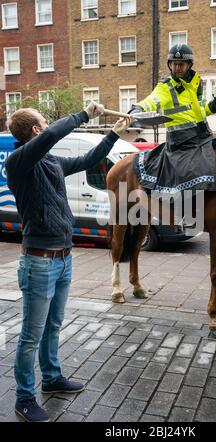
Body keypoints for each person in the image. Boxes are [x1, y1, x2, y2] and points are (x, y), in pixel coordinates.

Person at [5, 102, 132, 422]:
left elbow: (87, 159)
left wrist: (112, 136)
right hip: (38, 263)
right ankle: (23, 397)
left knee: (54, 326)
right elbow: (51, 135)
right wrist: (85, 115)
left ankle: (51, 377)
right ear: (35, 131)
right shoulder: (19, 162)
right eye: (43, 123)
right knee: (30, 335)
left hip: (63, 259)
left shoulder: (50, 161)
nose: (46, 126)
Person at [130, 44, 216, 204]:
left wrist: (213, 106)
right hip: (180, 143)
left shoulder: (195, 82)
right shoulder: (165, 86)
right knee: (193, 171)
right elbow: (152, 100)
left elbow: (199, 110)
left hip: (202, 137)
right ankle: (186, 213)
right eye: (174, 64)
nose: (177, 67)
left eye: (181, 64)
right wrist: (138, 108)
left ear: (189, 65)